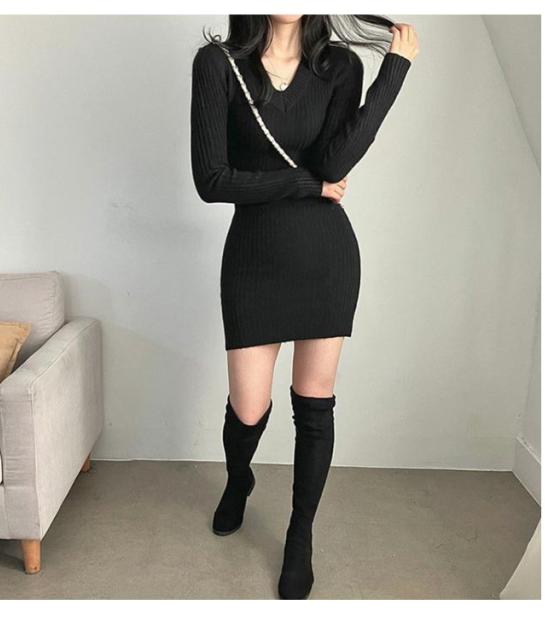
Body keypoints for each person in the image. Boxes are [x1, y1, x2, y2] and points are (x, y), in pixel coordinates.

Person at [190, 14, 419, 599]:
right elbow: (212, 180)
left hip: (325, 257)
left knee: (314, 405)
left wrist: (393, 74)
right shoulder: (219, 64)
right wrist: (301, 185)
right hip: (254, 256)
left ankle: (300, 536)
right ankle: (238, 480)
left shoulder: (340, 66)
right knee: (248, 407)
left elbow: (336, 164)